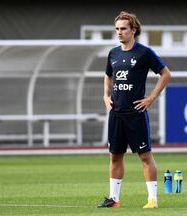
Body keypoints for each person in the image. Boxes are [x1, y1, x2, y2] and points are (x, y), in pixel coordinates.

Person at [97, 11, 171, 208]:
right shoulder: (113, 53)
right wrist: (106, 96)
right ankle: (114, 199)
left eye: (123, 29)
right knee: (114, 155)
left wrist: (151, 98)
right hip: (116, 113)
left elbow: (165, 73)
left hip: (135, 113)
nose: (119, 33)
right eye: (117, 29)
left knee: (145, 155)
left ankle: (153, 199)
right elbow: (108, 75)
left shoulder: (144, 53)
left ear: (133, 30)